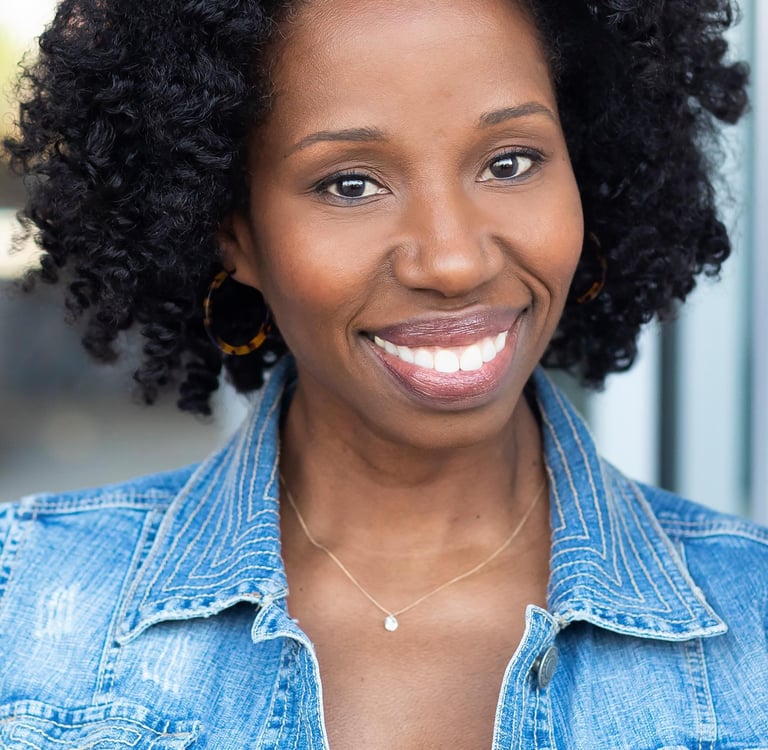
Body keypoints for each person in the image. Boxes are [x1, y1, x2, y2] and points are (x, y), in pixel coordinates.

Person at [1, 0, 766, 747]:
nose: (452, 260)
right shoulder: (21, 596)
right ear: (233, 232)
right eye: (351, 184)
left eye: (510, 162)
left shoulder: (755, 614)